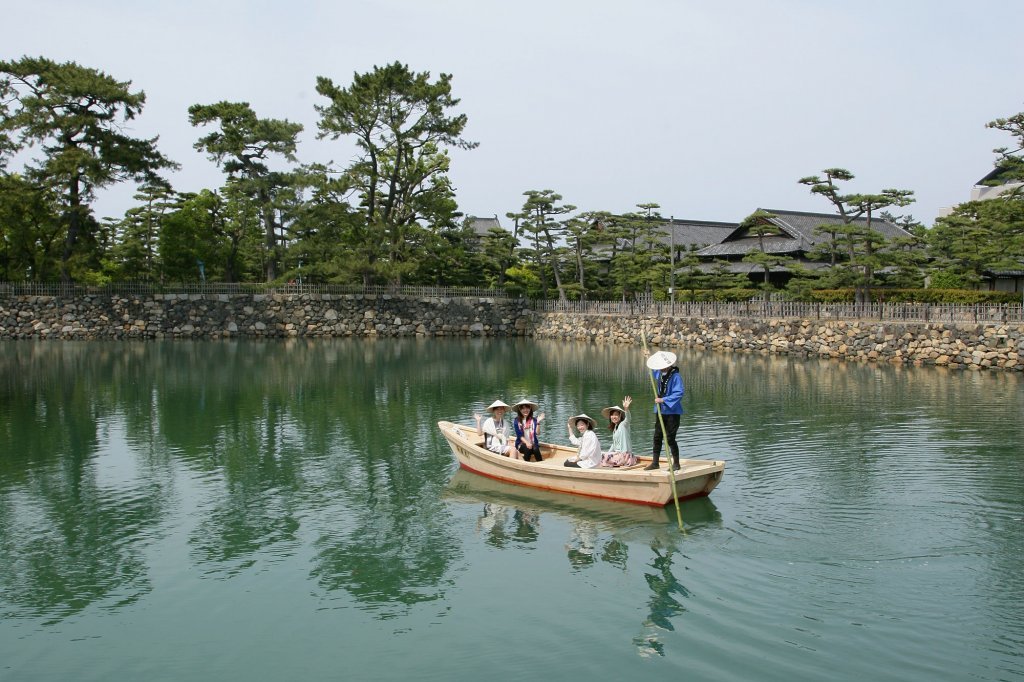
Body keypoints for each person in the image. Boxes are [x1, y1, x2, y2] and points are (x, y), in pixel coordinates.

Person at [644, 351, 683, 471]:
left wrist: (663, 400)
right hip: (661, 411)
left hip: (672, 411)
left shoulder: (676, 376)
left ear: (668, 365)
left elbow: (679, 393)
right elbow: (653, 372)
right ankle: (655, 462)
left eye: (662, 366)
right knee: (657, 436)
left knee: (670, 438)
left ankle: (676, 463)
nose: (660, 368)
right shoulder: (661, 373)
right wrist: (648, 357)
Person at [600, 395, 637, 467]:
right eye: (612, 415)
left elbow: (628, 419)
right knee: (600, 455)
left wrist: (626, 409)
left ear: (620, 416)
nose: (614, 417)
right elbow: (614, 445)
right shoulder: (615, 428)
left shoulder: (623, 425)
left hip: (624, 456)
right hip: (617, 454)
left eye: (616, 415)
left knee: (602, 458)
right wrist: (608, 453)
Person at [511, 398, 546, 462]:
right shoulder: (517, 421)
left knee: (536, 449)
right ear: (520, 410)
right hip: (521, 444)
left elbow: (537, 433)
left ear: (530, 409)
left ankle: (541, 464)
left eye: (527, 408)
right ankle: (525, 464)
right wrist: (527, 443)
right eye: (523, 408)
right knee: (528, 448)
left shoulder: (534, 420)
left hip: (532, 443)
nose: (525, 410)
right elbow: (520, 436)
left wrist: (538, 422)